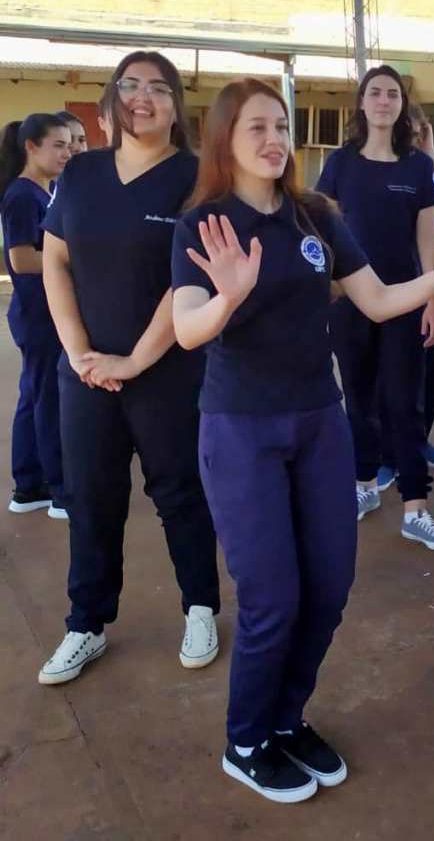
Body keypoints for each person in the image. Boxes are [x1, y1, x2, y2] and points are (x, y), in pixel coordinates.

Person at [171, 77, 434, 802]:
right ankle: (246, 738)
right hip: (241, 428)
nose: (274, 139)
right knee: (272, 595)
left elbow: (376, 300)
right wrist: (226, 296)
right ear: (226, 139)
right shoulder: (205, 226)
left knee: (330, 585)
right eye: (255, 127)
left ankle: (286, 719)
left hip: (319, 422)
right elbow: (188, 328)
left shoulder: (314, 216)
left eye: (280, 125)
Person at [37, 51, 220, 686]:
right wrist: (79, 353)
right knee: (91, 497)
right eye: (130, 85)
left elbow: (189, 276)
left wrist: (135, 359)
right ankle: (85, 623)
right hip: (85, 372)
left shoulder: (197, 178)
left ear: (177, 104)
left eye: (158, 88)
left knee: (178, 493)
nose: (142, 98)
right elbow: (54, 259)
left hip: (165, 369)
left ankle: (200, 606)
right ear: (114, 97)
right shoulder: (82, 172)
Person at [317, 65, 434, 550]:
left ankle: (416, 507)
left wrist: (433, 300)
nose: (383, 101)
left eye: (392, 94)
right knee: (357, 397)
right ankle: (362, 486)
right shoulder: (339, 163)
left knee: (405, 401)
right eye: (375, 93)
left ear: (401, 105)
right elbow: (320, 233)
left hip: (405, 299)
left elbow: (429, 237)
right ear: (362, 103)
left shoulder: (417, 167)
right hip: (350, 302)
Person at [377, 102, 434, 489]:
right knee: (385, 377)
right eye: (407, 129)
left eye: (417, 129)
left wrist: (429, 149)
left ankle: (415, 438)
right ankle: (385, 455)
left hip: (423, 283)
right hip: (377, 287)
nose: (410, 134)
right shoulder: (371, 163)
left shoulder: (420, 165)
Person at [1, 114, 70, 518]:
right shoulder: (22, 196)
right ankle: (61, 492)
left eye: (69, 144)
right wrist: (71, 257)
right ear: (31, 147)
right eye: (58, 145)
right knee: (48, 401)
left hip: (41, 311)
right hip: (38, 313)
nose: (66, 152)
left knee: (34, 396)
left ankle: (29, 486)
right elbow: (22, 258)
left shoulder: (46, 191)